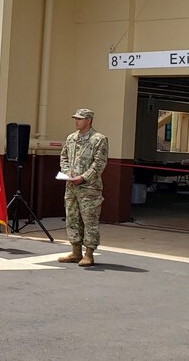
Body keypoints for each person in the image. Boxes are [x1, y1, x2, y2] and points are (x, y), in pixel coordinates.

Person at [58, 108, 109, 267]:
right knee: (72, 218)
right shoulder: (71, 138)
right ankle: (75, 252)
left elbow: (99, 163)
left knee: (89, 221)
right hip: (71, 186)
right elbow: (64, 157)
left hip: (89, 188)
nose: (76, 121)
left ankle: (89, 254)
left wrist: (83, 178)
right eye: (76, 118)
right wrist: (67, 173)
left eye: (80, 119)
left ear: (89, 121)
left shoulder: (99, 139)